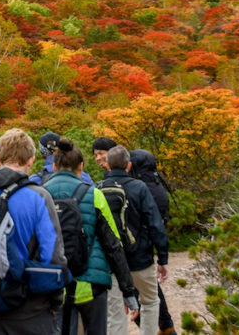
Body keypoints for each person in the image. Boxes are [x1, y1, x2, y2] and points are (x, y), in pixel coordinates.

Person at [0, 128, 69, 334]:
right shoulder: (39, 197)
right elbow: (54, 257)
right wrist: (55, 302)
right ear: (31, 160)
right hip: (30, 311)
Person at [43, 138, 140, 335]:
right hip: (92, 282)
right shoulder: (94, 194)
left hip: (54, 284)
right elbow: (113, 245)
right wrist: (128, 291)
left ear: (54, 166)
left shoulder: (39, 195)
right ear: (81, 166)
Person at [101, 146, 169, 335]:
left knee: (115, 312)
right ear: (129, 166)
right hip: (140, 258)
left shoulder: (97, 189)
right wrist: (162, 259)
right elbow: (155, 224)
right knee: (150, 301)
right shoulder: (139, 188)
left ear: (106, 165)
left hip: (112, 261)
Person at [129, 149, 176, 335]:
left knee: (139, 294)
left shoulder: (140, 188)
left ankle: (160, 328)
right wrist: (162, 258)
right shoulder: (157, 185)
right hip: (148, 251)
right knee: (151, 293)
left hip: (136, 252)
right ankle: (166, 326)